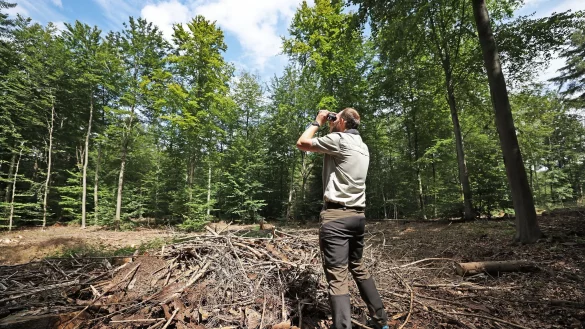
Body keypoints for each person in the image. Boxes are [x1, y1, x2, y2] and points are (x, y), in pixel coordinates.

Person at [296, 108, 389, 329]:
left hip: (336, 218)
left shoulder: (339, 139)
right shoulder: (363, 146)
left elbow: (302, 142)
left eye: (336, 117)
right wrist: (333, 124)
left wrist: (318, 121)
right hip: (358, 217)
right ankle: (380, 320)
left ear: (343, 123)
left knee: (338, 277)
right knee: (357, 265)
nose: (333, 119)